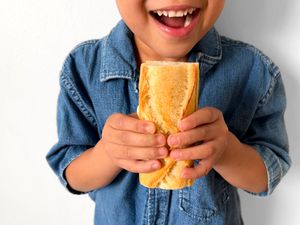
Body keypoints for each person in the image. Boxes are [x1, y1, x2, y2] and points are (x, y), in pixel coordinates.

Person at [46, 0, 291, 224]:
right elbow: (72, 175)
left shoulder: (253, 72)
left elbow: (267, 175)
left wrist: (226, 150)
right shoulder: (83, 69)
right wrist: (107, 153)